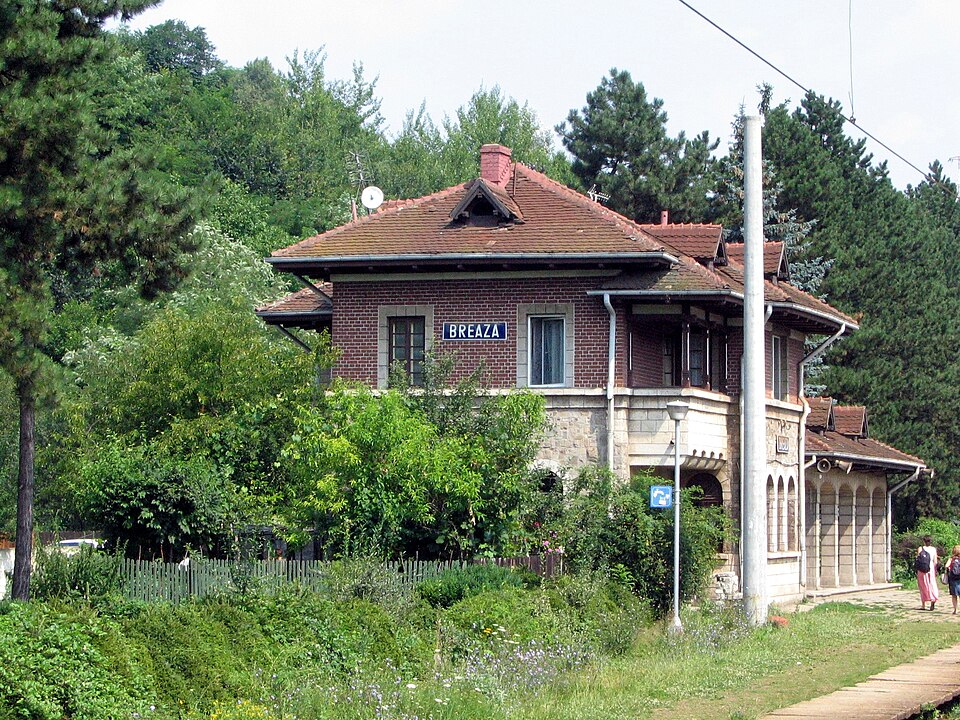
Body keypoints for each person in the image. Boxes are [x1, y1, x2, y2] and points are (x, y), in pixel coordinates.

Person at [916, 535, 940, 611]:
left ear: (923, 541)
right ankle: (933, 599)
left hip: (922, 570)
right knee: (932, 585)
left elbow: (918, 559)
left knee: (922, 586)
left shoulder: (920, 548)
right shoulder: (933, 549)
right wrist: (935, 570)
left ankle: (923, 605)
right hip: (931, 569)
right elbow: (935, 562)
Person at [944, 545, 960, 615]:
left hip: (953, 579)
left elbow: (946, 566)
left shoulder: (951, 559)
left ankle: (955, 610)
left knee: (954, 595)